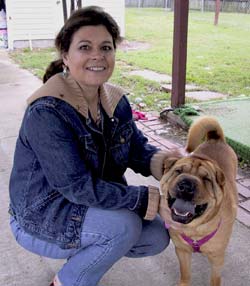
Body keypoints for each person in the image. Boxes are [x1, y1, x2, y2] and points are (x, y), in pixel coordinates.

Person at [9, 6, 182, 286]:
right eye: (85, 47)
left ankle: (83, 257)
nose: (97, 56)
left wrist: (168, 165)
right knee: (123, 227)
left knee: (156, 237)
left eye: (106, 47)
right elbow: (77, 187)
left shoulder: (114, 100)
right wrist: (149, 199)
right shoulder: (47, 112)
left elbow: (136, 149)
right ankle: (68, 281)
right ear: (66, 55)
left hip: (90, 208)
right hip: (42, 216)